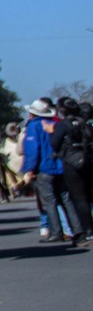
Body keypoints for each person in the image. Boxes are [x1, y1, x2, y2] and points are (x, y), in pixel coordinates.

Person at [21, 97, 75, 243]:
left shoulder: (34, 126)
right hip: (61, 167)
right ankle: (77, 229)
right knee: (66, 199)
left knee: (49, 201)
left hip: (45, 168)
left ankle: (56, 232)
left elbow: (33, 150)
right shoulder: (56, 123)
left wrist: (29, 169)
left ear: (32, 113)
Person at [50, 97, 91, 244]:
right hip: (87, 160)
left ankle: (88, 231)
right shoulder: (83, 123)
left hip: (72, 163)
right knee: (88, 196)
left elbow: (54, 144)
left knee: (79, 198)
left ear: (62, 110)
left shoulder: (63, 125)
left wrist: (51, 133)